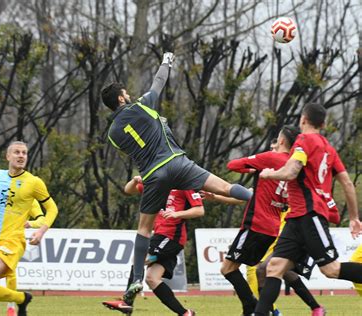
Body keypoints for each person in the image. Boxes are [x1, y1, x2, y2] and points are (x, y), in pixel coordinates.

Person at [101, 52, 253, 301]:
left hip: (152, 174)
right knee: (225, 187)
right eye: (126, 93)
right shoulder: (141, 105)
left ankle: (137, 279)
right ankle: (260, 198)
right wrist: (166, 61)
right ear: (121, 98)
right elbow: (158, 82)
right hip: (177, 162)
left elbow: (134, 150)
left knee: (143, 229)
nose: (129, 95)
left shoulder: (112, 134)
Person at [255, 103, 362, 315]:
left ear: (303, 119)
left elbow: (291, 171)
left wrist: (269, 173)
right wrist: (353, 217)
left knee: (331, 270)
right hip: (296, 218)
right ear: (323, 124)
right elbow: (347, 184)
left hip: (310, 215)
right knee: (274, 268)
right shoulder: (329, 148)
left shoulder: (303, 141)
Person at [0, 141, 59, 316]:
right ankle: (22, 298)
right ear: (8, 156)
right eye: (17, 152)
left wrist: (41, 230)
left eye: (24, 153)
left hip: (13, 241)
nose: (21, 156)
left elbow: (52, 209)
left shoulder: (33, 182)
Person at [222, 125, 299, 316]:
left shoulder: (270, 158)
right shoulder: (294, 167)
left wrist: (253, 167)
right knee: (258, 271)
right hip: (273, 228)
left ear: (281, 141)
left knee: (227, 268)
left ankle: (253, 307)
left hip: (256, 224)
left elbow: (232, 165)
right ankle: (266, 311)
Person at [103, 176, 204, 316]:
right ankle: (185, 313)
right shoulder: (157, 184)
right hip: (160, 236)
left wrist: (177, 214)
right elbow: (128, 190)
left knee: (139, 259)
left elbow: (199, 210)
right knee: (152, 278)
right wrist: (134, 181)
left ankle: (127, 303)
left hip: (171, 237)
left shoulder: (184, 185)